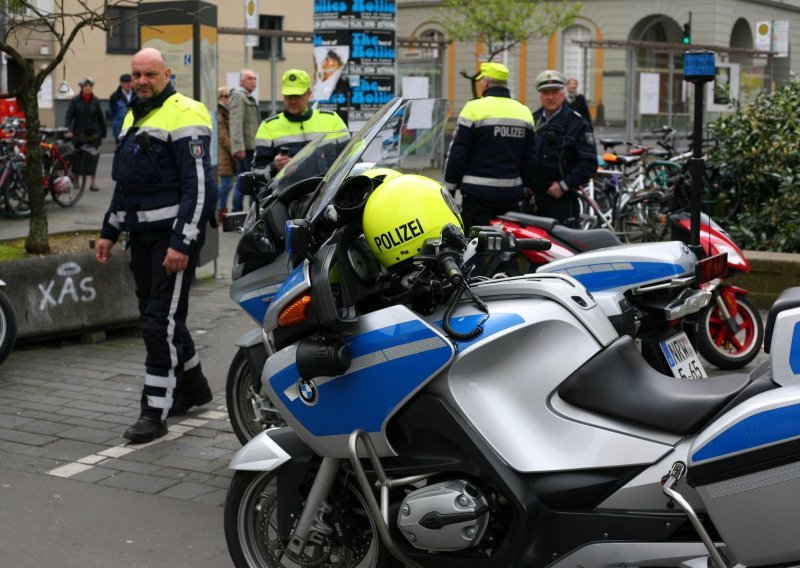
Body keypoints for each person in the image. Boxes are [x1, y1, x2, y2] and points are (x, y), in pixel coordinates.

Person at [95, 47, 217, 444]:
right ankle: (193, 387)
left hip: (170, 242)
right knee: (162, 319)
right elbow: (126, 185)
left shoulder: (188, 112)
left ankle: (154, 411)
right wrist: (108, 232)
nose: (142, 81)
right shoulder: (134, 114)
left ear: (166, 73)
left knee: (156, 324)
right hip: (141, 239)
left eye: (150, 74)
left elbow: (199, 188)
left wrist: (182, 242)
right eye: (136, 75)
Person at [443, 61, 535, 229]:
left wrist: (449, 187)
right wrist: (526, 186)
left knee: (476, 246)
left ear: (485, 81)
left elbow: (458, 152)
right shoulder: (524, 112)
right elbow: (529, 157)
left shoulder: (473, 108)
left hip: (477, 194)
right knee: (508, 245)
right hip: (511, 194)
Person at [529, 69, 597, 226]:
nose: (550, 97)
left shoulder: (577, 124)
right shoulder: (532, 120)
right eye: (546, 93)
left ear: (563, 93)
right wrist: (525, 184)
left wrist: (564, 185)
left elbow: (589, 164)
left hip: (562, 201)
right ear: (540, 95)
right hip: (533, 200)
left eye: (555, 92)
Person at [252, 68, 348, 178]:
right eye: (289, 96)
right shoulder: (267, 127)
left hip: (327, 193)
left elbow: (351, 158)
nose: (293, 101)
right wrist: (274, 167)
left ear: (309, 94)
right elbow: (257, 175)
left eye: (297, 96)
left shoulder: (332, 120)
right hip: (287, 194)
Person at [65, 76, 106, 191]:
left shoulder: (95, 101)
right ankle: (76, 179)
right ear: (82, 88)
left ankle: (92, 182)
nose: (88, 88)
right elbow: (69, 116)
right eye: (86, 86)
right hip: (79, 133)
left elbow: (100, 117)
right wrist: (68, 130)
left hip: (93, 133)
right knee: (78, 157)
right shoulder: (75, 100)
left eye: (90, 86)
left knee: (92, 158)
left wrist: (103, 131)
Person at [228, 68, 259, 212]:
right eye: (249, 78)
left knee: (244, 183)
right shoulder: (239, 96)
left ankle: (238, 213)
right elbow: (235, 122)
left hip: (249, 147)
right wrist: (238, 148)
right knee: (251, 184)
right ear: (241, 81)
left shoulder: (246, 96)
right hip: (245, 149)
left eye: (254, 78)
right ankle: (245, 214)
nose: (253, 81)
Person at [216, 86, 235, 222]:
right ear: (220, 97)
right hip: (224, 154)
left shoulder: (225, 111)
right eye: (226, 96)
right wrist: (234, 148)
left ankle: (221, 210)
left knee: (227, 184)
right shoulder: (220, 113)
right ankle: (220, 210)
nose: (229, 99)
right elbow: (222, 137)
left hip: (226, 154)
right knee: (226, 184)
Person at [108, 73, 136, 141]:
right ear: (121, 83)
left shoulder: (137, 95)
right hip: (120, 129)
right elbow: (111, 113)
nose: (128, 84)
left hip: (134, 128)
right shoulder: (115, 97)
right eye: (126, 82)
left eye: (130, 82)